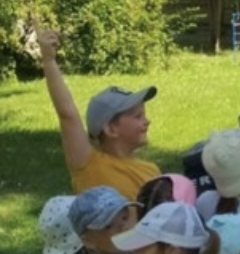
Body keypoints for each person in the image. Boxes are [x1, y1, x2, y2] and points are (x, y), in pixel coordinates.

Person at [36, 27, 160, 201]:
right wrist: (49, 60)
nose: (147, 121)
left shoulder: (152, 171)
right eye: (137, 116)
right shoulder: (89, 165)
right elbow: (68, 115)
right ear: (110, 129)